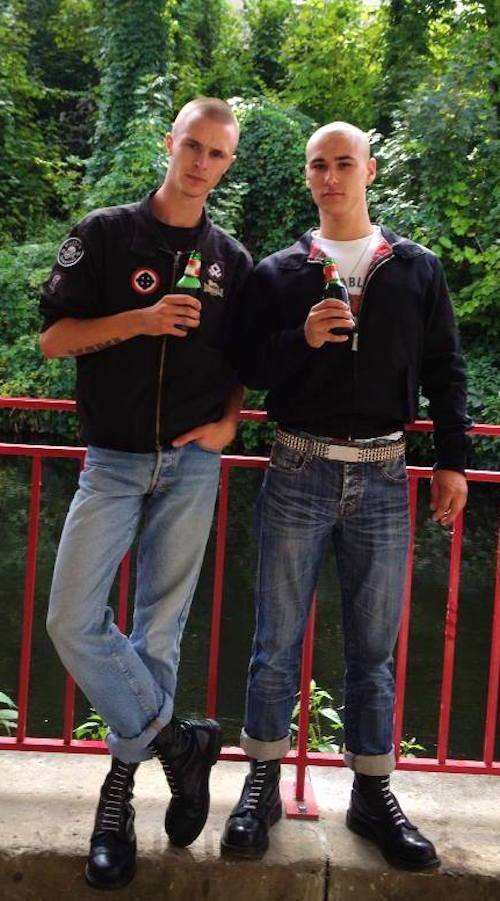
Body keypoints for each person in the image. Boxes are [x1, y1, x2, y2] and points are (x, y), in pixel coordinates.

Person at [221, 122, 470, 869]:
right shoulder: (279, 273)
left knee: (374, 650)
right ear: (307, 176)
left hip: (386, 474)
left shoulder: (416, 268)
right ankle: (262, 784)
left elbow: (446, 369)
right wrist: (301, 338)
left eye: (343, 163)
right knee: (274, 643)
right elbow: (248, 368)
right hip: (297, 466)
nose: (330, 177)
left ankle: (371, 792)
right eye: (318, 165)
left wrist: (452, 462)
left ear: (369, 170)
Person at [40, 97, 252, 890]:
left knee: (159, 632)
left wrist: (229, 423)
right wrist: (141, 319)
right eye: (192, 146)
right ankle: (178, 742)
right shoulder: (105, 235)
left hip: (191, 466)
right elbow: (53, 338)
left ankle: (118, 800)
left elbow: (242, 363)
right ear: (171, 142)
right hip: (114, 460)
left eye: (217, 154)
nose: (201, 163)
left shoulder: (231, 259)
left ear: (228, 163)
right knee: (70, 618)